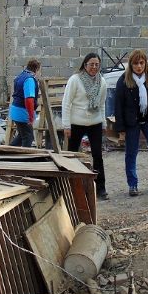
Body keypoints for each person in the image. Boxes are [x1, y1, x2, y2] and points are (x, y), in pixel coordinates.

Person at [114, 49, 148, 196]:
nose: (139, 66)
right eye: (136, 63)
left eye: (141, 63)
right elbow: (118, 105)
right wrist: (121, 128)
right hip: (131, 122)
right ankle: (133, 184)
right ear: (131, 64)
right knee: (131, 152)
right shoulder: (124, 80)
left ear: (145, 63)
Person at [62, 53, 109, 200]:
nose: (94, 67)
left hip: (95, 123)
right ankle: (70, 186)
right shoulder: (75, 80)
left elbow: (102, 104)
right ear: (85, 65)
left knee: (97, 155)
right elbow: (66, 103)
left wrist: (104, 122)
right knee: (72, 155)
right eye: (91, 64)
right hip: (76, 123)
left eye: (97, 64)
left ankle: (100, 188)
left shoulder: (102, 82)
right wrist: (66, 125)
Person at [9, 59, 41, 147]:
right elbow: (29, 99)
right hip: (23, 113)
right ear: (37, 69)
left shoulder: (20, 76)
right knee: (28, 136)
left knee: (21, 135)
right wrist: (30, 116)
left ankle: (8, 152)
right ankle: (24, 159)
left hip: (16, 111)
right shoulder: (29, 80)